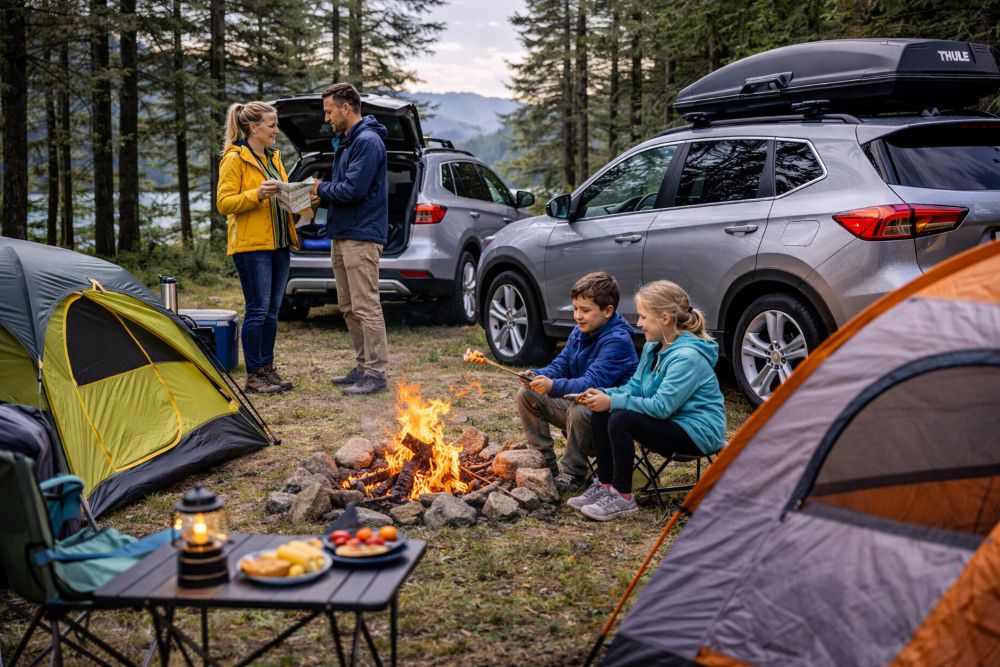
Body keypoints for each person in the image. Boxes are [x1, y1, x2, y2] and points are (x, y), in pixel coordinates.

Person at [573, 280, 727, 521]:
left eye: (644, 317)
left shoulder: (687, 357)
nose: (639, 323)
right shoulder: (653, 346)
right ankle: (605, 485)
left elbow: (661, 407)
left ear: (665, 318)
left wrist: (613, 403)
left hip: (697, 432)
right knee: (602, 409)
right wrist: (603, 394)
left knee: (620, 417)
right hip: (672, 422)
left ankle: (623, 496)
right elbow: (635, 387)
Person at [476, 272, 637, 491]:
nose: (578, 316)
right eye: (575, 309)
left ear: (608, 311)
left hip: (607, 421)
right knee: (528, 394)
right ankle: (546, 466)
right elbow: (560, 364)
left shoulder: (617, 341)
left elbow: (592, 383)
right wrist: (536, 374)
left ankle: (573, 474)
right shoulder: (580, 332)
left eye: (585, 311)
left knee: (581, 408)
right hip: (579, 408)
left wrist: (553, 386)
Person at [313, 82, 390, 396]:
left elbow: (353, 189)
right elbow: (344, 188)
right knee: (348, 306)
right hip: (343, 234)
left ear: (346, 107)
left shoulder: (368, 141)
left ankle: (376, 374)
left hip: (361, 236)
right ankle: (362, 367)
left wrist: (319, 189)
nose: (327, 118)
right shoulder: (347, 141)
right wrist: (324, 197)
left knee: (366, 305)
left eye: (329, 111)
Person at [216, 100, 298, 394]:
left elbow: (283, 197)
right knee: (258, 310)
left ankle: (267, 369)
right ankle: (254, 376)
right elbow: (224, 203)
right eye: (272, 125)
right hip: (252, 247)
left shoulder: (274, 158)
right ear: (254, 127)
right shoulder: (234, 158)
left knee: (273, 312)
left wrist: (300, 201)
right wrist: (256, 194)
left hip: (279, 243)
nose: (277, 130)